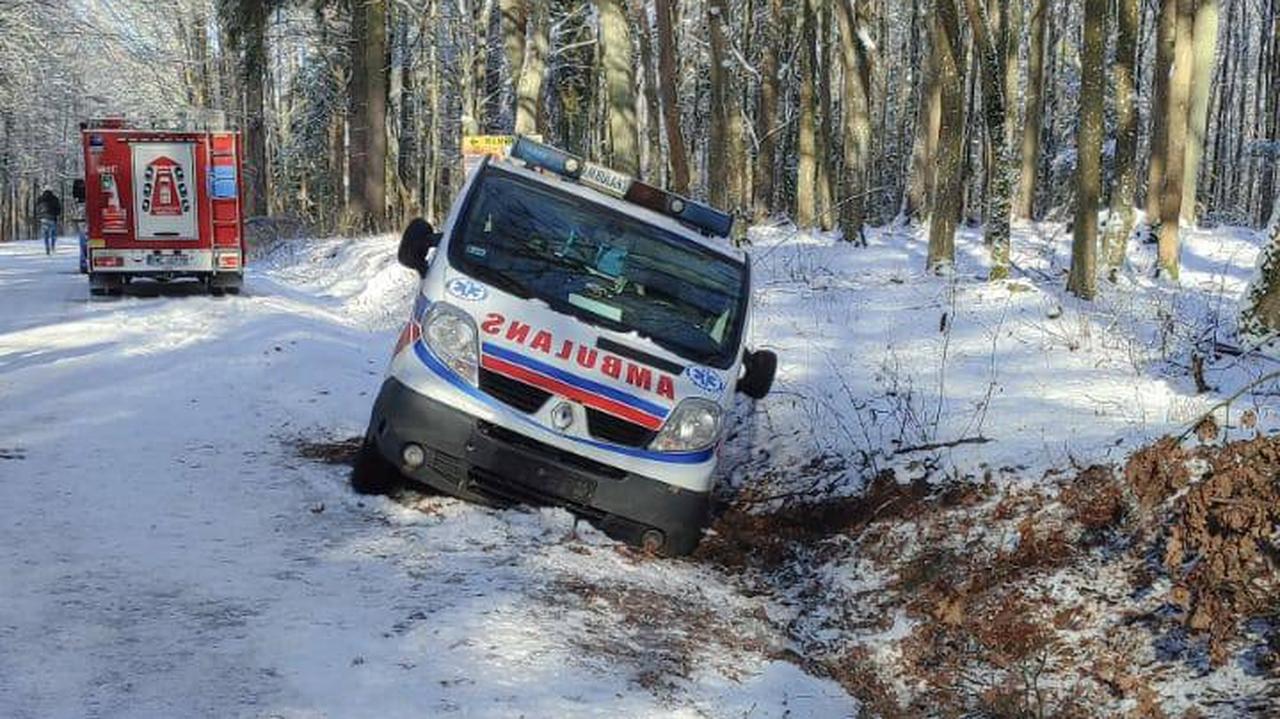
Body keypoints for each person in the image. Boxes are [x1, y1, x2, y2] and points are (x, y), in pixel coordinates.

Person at [35, 186, 62, 255]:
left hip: (43, 219)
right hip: (52, 218)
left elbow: (37, 208)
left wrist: (39, 216)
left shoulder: (40, 199)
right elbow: (58, 209)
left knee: (46, 235)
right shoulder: (55, 199)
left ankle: (47, 248)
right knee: (53, 234)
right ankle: (52, 246)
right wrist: (57, 215)